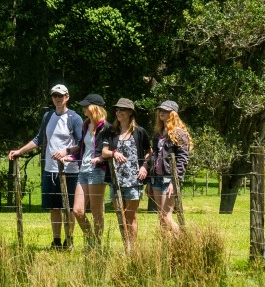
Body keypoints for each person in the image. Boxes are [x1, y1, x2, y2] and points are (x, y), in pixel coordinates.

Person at [9, 84, 84, 250]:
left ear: (67, 97)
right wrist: (19, 151)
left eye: (61, 95)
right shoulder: (48, 116)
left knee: (69, 208)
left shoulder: (74, 118)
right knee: (54, 207)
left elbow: (81, 144)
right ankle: (56, 241)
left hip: (70, 170)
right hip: (50, 170)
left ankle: (69, 240)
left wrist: (66, 152)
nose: (58, 98)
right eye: (55, 96)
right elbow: (39, 139)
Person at [103, 98, 149, 250]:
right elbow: (104, 152)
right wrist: (114, 153)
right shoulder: (111, 132)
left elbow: (150, 152)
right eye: (117, 109)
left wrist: (144, 166)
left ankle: (133, 249)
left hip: (134, 180)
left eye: (122, 109)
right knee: (120, 217)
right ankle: (126, 248)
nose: (118, 112)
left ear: (130, 112)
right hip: (116, 181)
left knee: (131, 216)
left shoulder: (139, 132)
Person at [145, 100, 192, 238]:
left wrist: (174, 180)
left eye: (165, 111)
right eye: (160, 110)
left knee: (166, 216)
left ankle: (186, 241)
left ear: (173, 114)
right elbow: (153, 157)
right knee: (161, 217)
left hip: (169, 179)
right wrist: (149, 181)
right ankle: (170, 248)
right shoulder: (158, 133)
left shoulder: (179, 134)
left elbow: (183, 160)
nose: (161, 112)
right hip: (157, 178)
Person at [72, 93, 109, 248]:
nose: (84, 109)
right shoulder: (86, 125)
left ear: (94, 108)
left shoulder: (106, 128)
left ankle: (97, 245)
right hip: (83, 170)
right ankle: (91, 239)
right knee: (78, 210)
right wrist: (71, 156)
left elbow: (109, 149)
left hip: (97, 171)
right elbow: (83, 147)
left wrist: (100, 158)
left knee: (96, 210)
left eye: (86, 106)